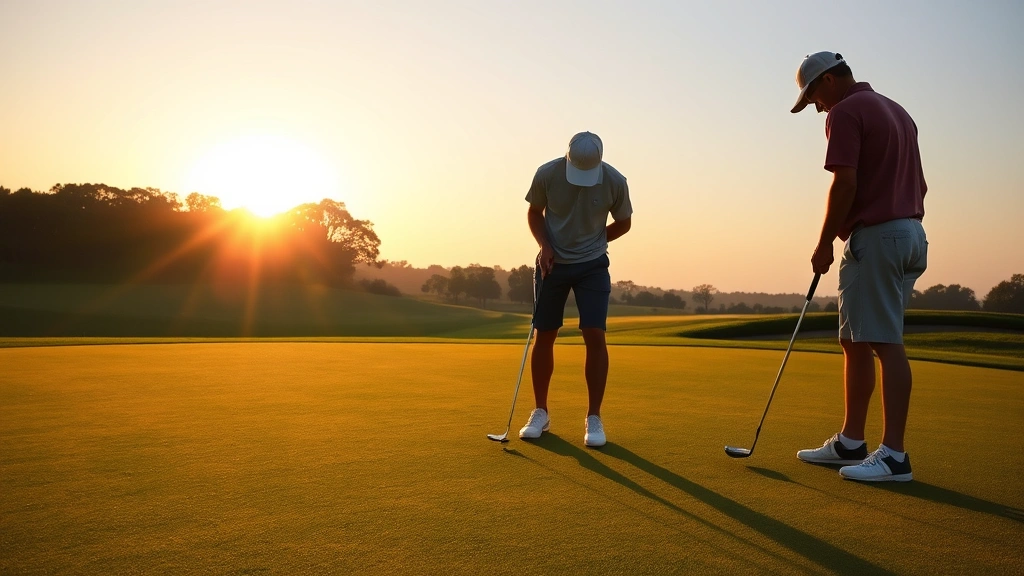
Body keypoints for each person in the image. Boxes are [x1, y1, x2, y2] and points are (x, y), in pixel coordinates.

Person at [791, 52, 928, 482]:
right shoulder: (897, 110)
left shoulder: (846, 110)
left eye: (813, 95)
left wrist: (824, 241)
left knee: (885, 342)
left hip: (879, 235)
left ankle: (894, 456)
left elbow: (845, 182)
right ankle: (851, 441)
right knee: (857, 339)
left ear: (829, 80)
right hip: (910, 234)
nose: (816, 106)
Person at [517, 131, 633, 447]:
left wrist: (595, 242)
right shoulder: (547, 173)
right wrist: (544, 245)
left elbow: (624, 222)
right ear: (567, 159)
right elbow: (534, 213)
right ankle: (540, 411)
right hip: (551, 263)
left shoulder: (614, 181)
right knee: (546, 334)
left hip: (593, 266)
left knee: (594, 333)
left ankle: (593, 417)